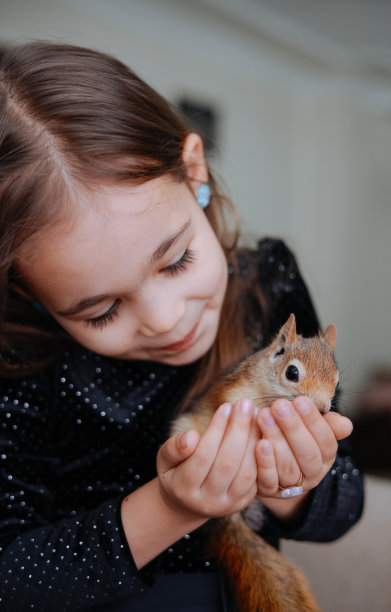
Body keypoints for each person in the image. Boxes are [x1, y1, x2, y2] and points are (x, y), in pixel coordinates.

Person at [0, 42, 363, 611]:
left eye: (176, 261)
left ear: (194, 172)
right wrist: (172, 507)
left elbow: (346, 498)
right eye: (101, 311)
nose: (167, 319)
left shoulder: (268, 284)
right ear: (28, 291)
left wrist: (294, 481)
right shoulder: (21, 355)